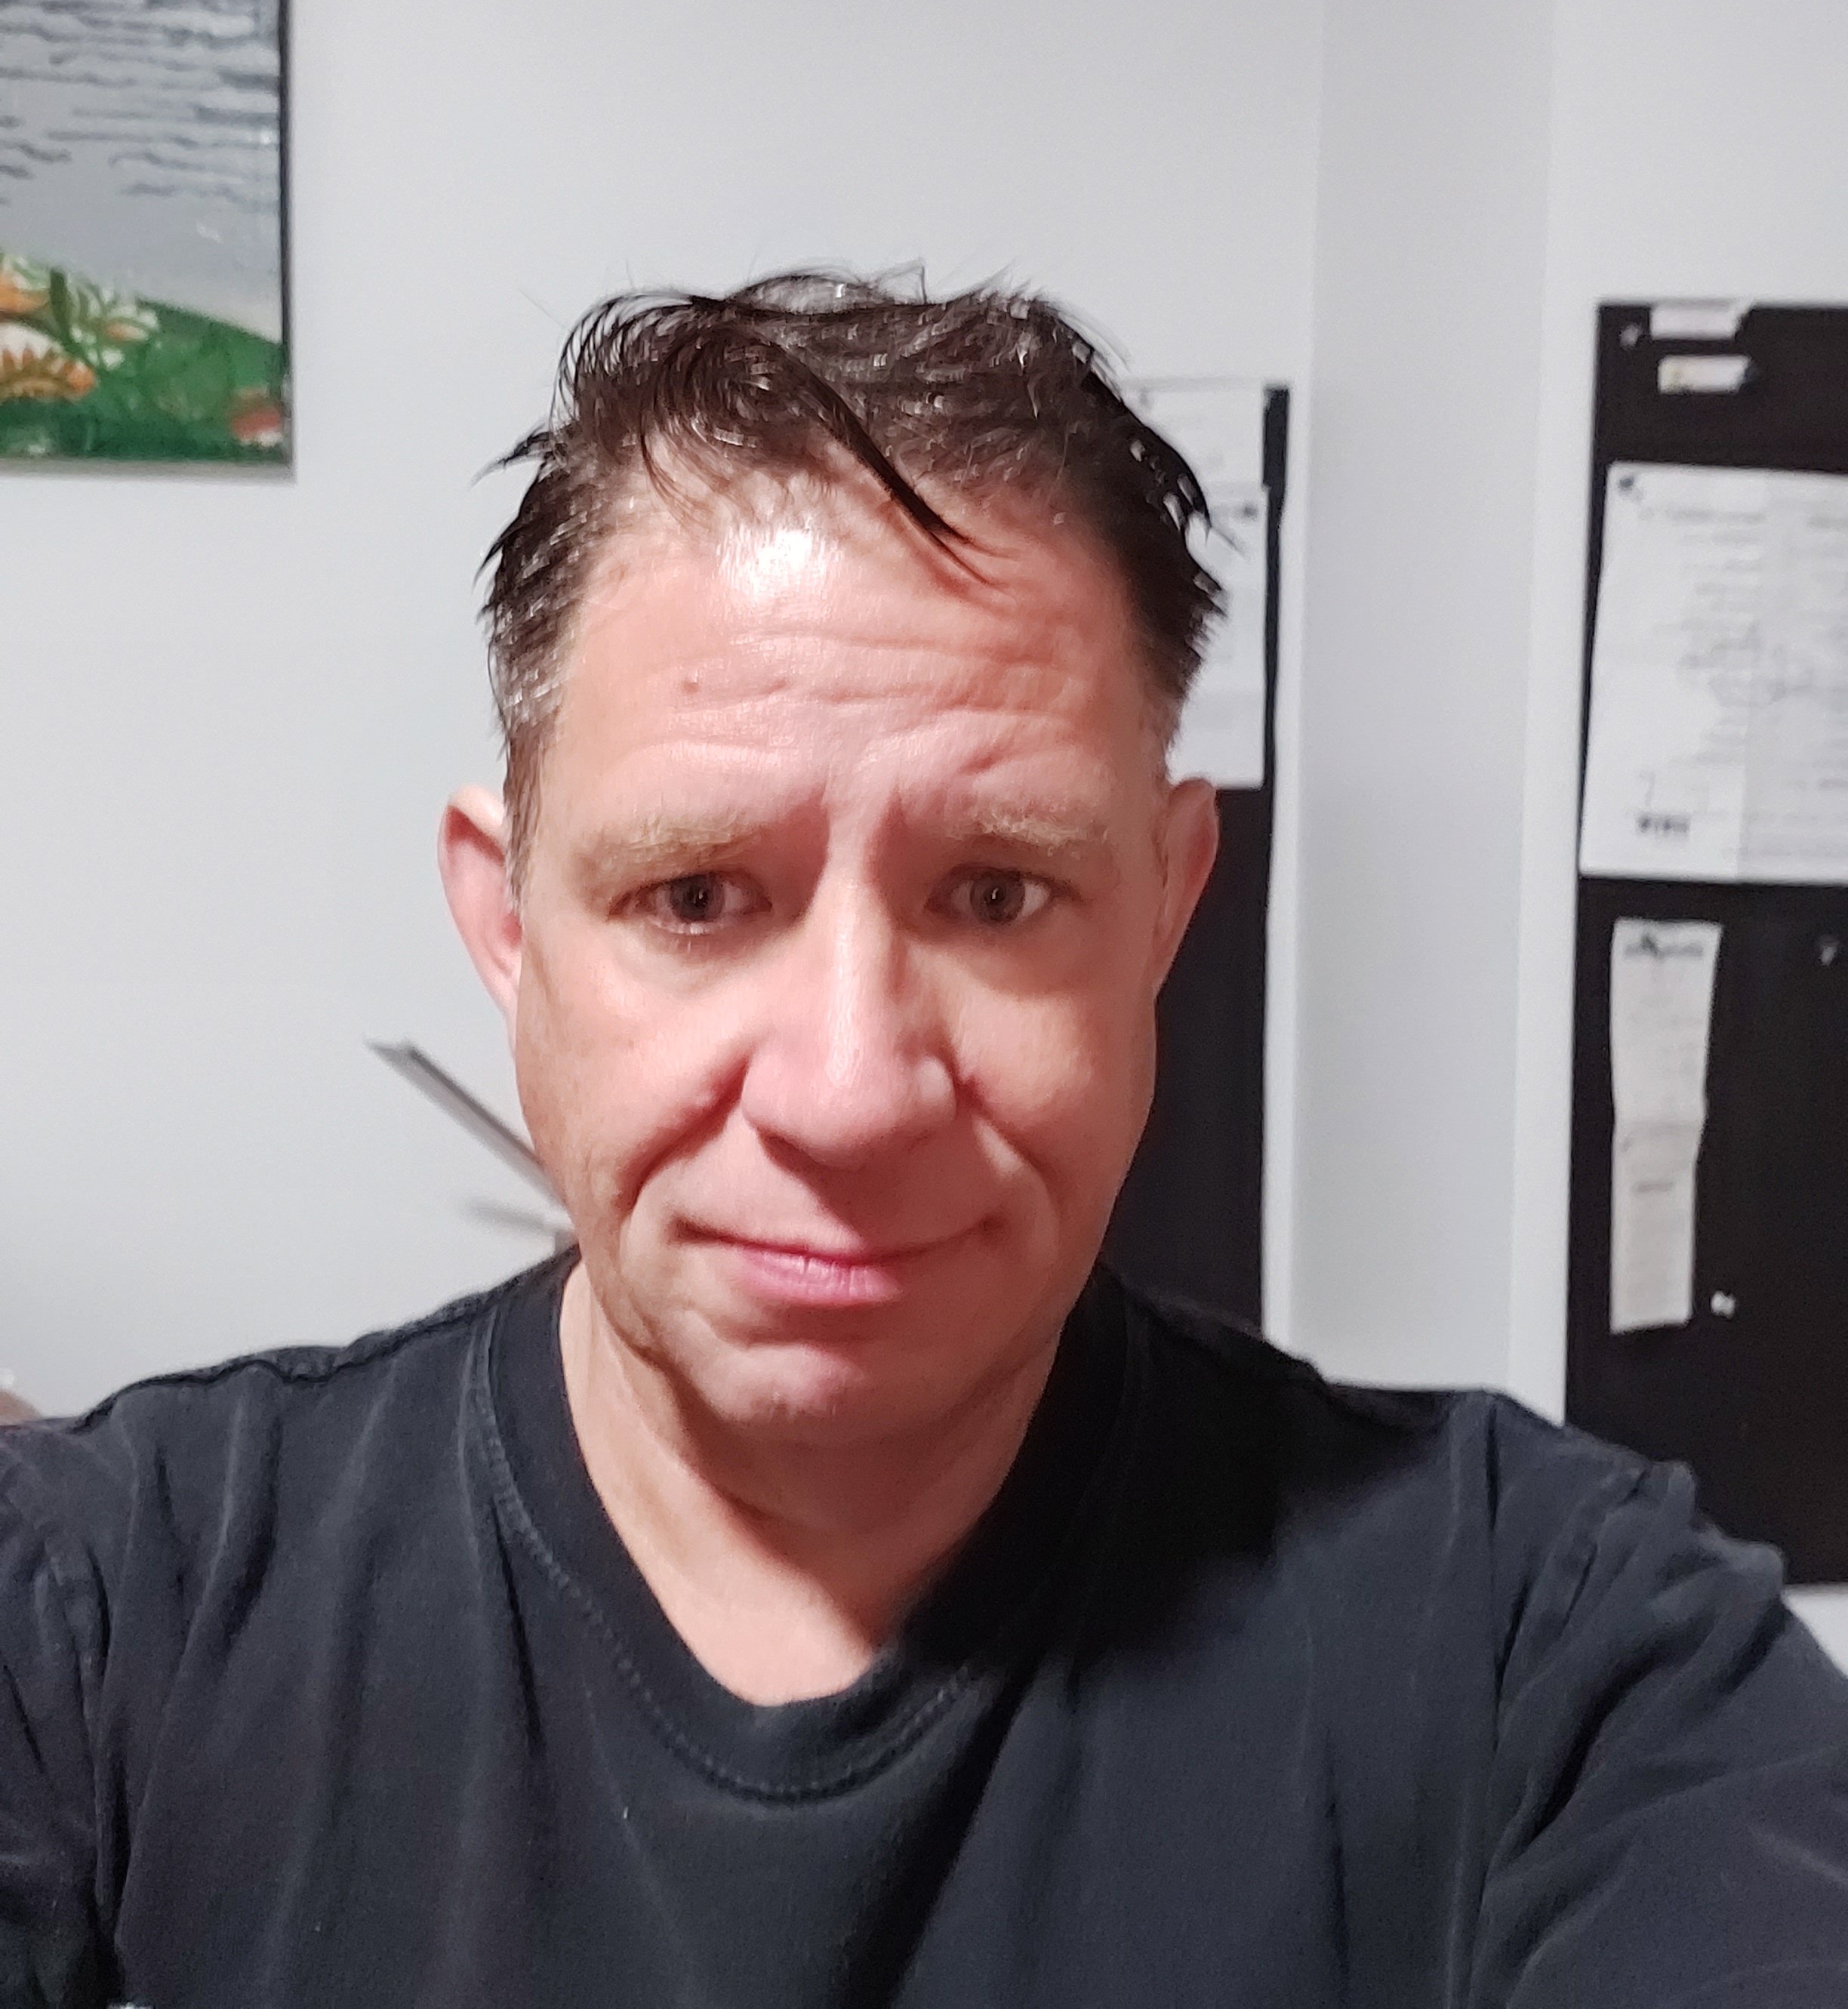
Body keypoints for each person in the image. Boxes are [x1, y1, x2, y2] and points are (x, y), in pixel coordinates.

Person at [2, 275, 1845, 2009]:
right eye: (697, 895)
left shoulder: (1567, 1659)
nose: (851, 1091)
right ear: (507, 926)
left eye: (997, 893)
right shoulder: (91, 1622)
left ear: (1165, 910)